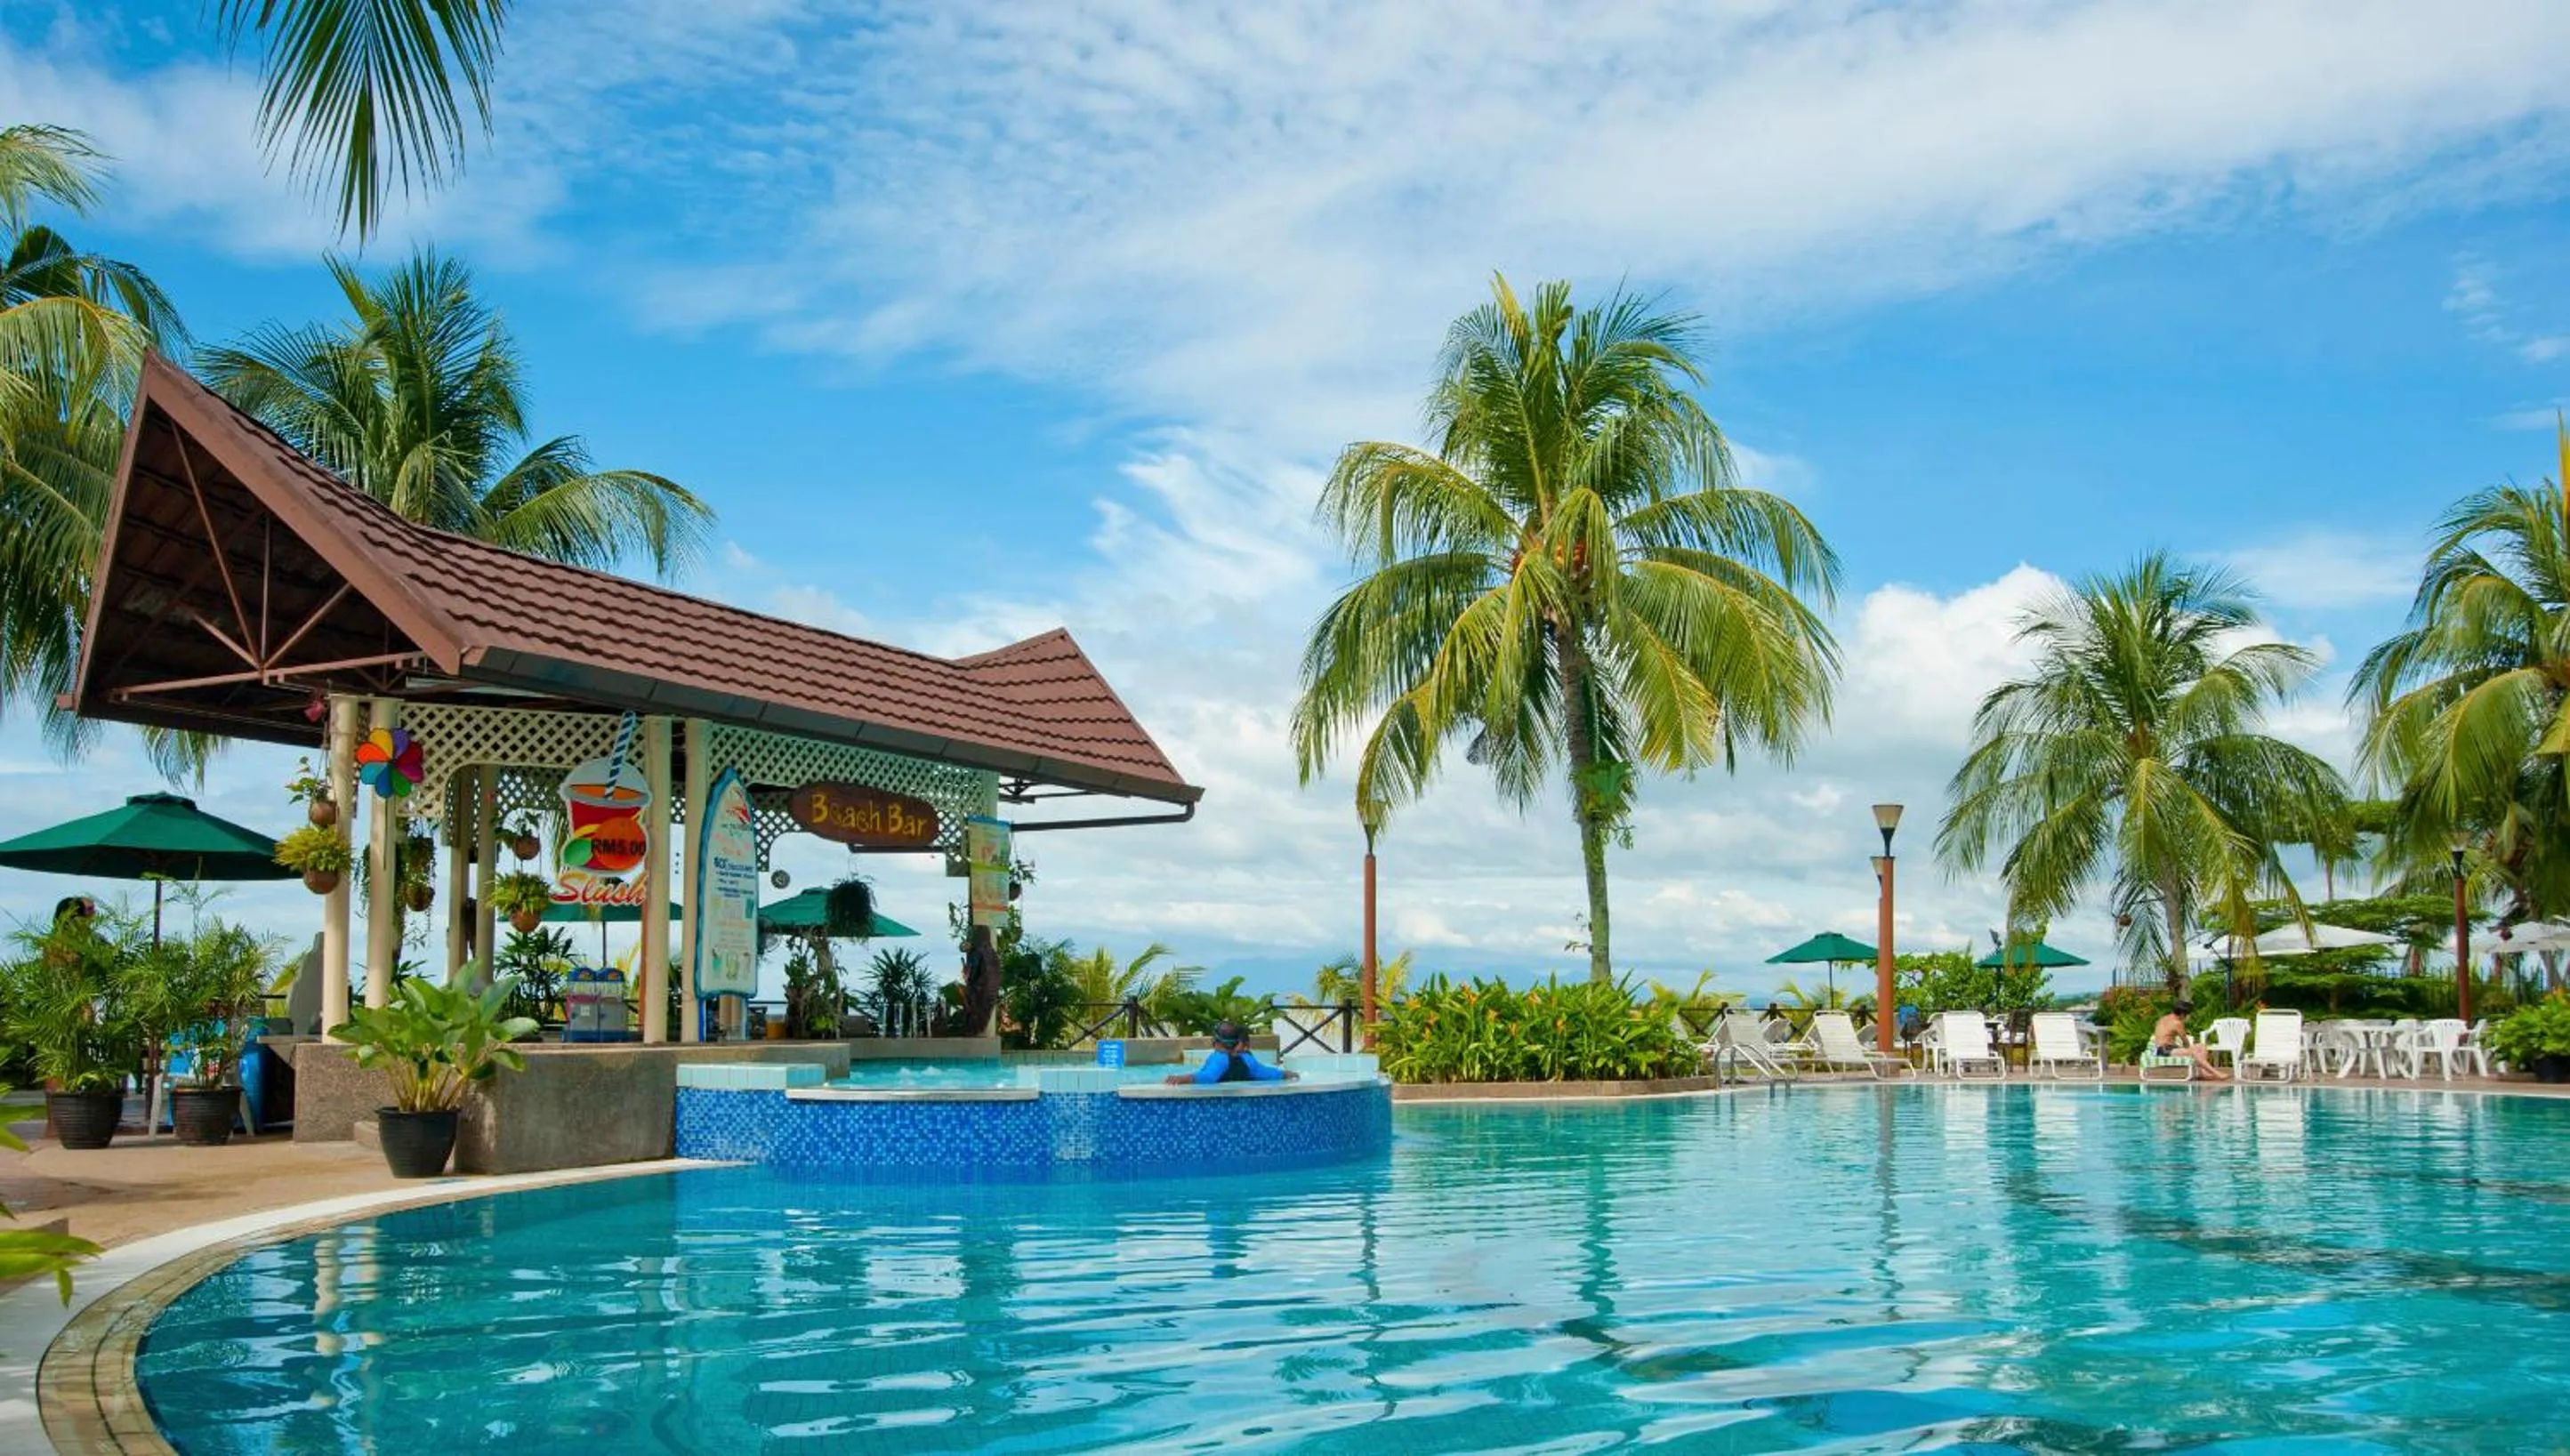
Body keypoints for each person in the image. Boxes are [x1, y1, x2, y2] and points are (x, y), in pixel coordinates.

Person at [1165, 1021, 1299, 1085]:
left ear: (1215, 1042)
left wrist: (1182, 1078)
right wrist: (1287, 1074)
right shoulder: (1248, 1059)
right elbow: (1269, 1073)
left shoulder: (1219, 1059)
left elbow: (1209, 1077)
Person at [2152, 1001, 2228, 1082]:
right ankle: (2216, 1073)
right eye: (2186, 1015)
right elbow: (2185, 1041)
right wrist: (2190, 1049)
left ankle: (2202, 1072)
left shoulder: (2164, 1018)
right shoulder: (2177, 1023)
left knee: (2201, 1046)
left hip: (2168, 1048)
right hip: (2164, 1050)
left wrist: (2192, 1048)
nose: (2186, 1017)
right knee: (2194, 1052)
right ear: (2182, 1014)